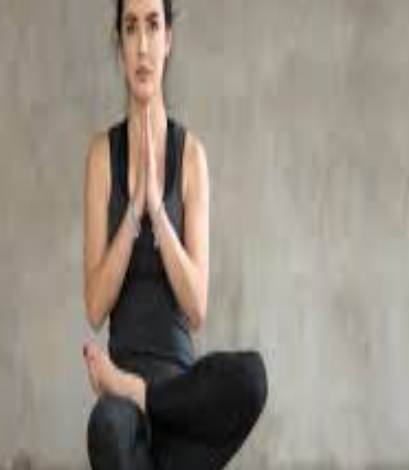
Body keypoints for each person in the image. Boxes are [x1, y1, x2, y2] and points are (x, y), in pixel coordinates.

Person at [82, 0, 268, 469]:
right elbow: (95, 306)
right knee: (106, 427)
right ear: (120, 44)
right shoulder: (103, 156)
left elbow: (197, 306)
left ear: (168, 40)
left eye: (153, 26)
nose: (143, 46)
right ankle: (132, 398)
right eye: (131, 28)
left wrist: (158, 214)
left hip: (183, 401)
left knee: (251, 378)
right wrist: (132, 215)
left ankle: (142, 394)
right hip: (124, 413)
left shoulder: (191, 158)